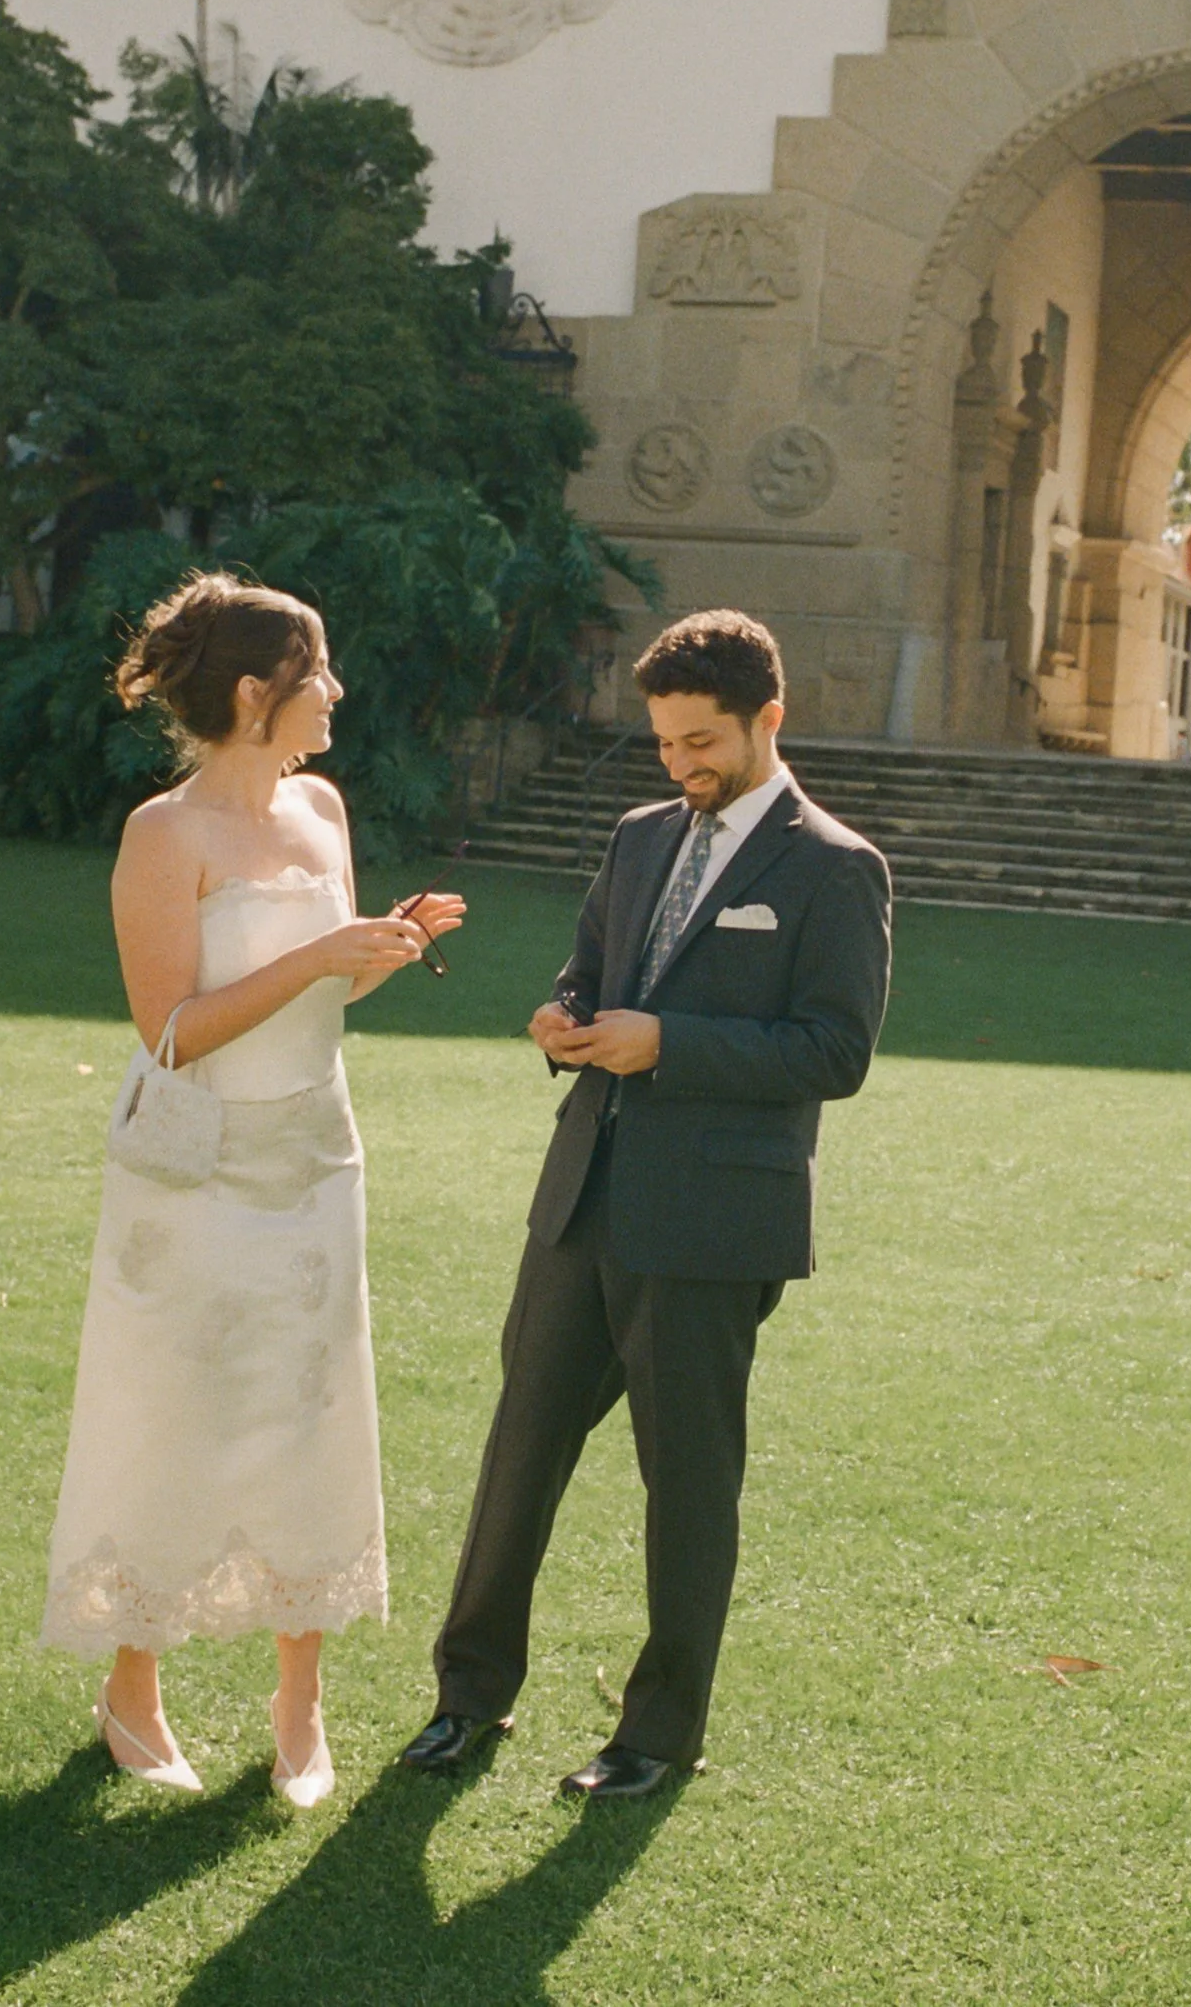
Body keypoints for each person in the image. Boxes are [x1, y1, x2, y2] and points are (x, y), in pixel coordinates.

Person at [398, 608, 892, 1803]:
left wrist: (666, 1038)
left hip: (713, 1225)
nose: (680, 765)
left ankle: (656, 1734)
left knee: (685, 1487)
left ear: (770, 718)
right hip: (583, 1197)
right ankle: (469, 1697)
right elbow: (589, 964)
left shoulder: (837, 866)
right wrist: (560, 1018)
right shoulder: (633, 837)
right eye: (665, 742)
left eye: (702, 741)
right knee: (516, 1457)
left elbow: (832, 1051)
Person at [41, 571, 464, 1804]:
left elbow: (322, 995)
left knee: (311, 1407)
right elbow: (169, 1028)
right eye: (315, 672)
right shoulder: (161, 834)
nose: (334, 690)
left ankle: (300, 1700)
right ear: (252, 692)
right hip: (196, 1174)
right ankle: (134, 1683)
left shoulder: (322, 806)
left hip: (317, 1160)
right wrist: (318, 955)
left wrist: (382, 946)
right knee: (170, 1406)